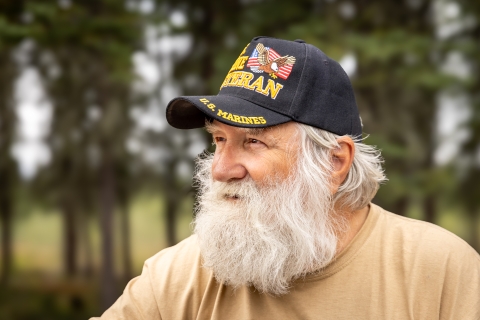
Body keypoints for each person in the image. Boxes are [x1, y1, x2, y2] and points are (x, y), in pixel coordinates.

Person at [92, 37, 480, 320]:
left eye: (254, 142)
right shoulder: (177, 278)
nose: (220, 168)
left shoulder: (441, 271)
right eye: (219, 139)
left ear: (334, 162)